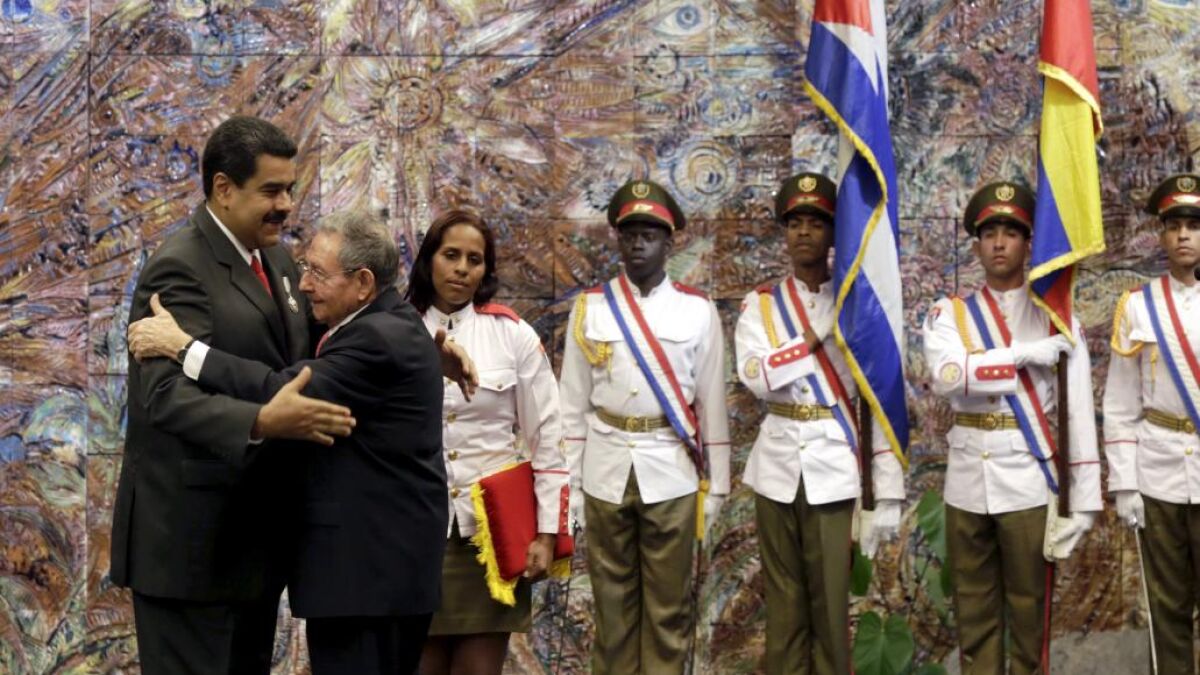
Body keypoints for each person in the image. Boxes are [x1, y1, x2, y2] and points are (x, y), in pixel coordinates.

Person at [127, 210, 474, 674]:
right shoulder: (389, 321)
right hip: (377, 577)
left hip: (367, 580)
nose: (304, 284)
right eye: (305, 268)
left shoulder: (378, 337)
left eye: (318, 273)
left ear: (363, 283)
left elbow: (280, 387)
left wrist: (183, 347)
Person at [111, 116, 356, 675]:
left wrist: (417, 348)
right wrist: (263, 421)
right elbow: (164, 397)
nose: (286, 205)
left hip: (254, 549)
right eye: (271, 191)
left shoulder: (279, 261)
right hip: (189, 551)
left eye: (289, 189)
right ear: (224, 188)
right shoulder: (179, 268)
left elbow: (319, 345)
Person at [922, 181, 1102, 674]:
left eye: (1011, 233)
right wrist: (1021, 354)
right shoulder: (949, 314)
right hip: (966, 484)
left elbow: (1078, 414)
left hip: (1027, 481)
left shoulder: (1055, 318)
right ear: (977, 244)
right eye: (989, 234)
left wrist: (1085, 503)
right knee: (974, 615)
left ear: (1028, 243)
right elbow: (947, 376)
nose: (999, 243)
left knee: (1029, 615)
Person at [734, 172, 905, 675]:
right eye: (795, 223)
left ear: (834, 232)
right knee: (783, 609)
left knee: (831, 612)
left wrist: (887, 490)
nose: (804, 232)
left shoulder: (858, 305)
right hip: (776, 468)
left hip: (834, 466)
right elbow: (756, 377)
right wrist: (812, 340)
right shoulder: (761, 305)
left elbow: (877, 400)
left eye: (816, 222)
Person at [559, 179, 731, 674]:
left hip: (670, 469)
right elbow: (572, 403)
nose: (638, 244)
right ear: (618, 238)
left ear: (669, 242)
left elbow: (712, 403)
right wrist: (571, 486)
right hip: (606, 466)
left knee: (668, 611)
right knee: (611, 610)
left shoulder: (697, 311)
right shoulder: (591, 307)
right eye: (630, 234)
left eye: (649, 235)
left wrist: (718, 486)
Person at [407, 210, 569, 675]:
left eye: (474, 260)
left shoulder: (512, 334)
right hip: (415, 530)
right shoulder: (398, 330)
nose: (461, 268)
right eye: (450, 255)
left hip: (487, 535)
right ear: (429, 261)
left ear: (486, 270)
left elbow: (548, 439)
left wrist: (547, 534)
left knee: (479, 669)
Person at [1105, 174, 1200, 673]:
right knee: (1167, 604)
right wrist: (1124, 483)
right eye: (1174, 226)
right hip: (1158, 472)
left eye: (1194, 226)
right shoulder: (1138, 307)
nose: (1184, 235)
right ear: (1161, 235)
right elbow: (1121, 403)